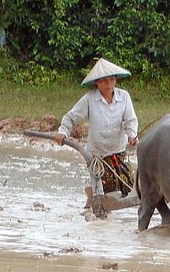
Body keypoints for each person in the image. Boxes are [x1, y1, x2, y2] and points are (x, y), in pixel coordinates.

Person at [55, 58, 139, 198]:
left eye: (112, 79)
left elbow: (130, 121)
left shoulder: (124, 97)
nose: (109, 84)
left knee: (127, 188)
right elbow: (70, 117)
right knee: (102, 193)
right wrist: (62, 131)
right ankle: (96, 206)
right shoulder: (89, 99)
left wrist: (132, 136)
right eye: (104, 80)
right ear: (97, 83)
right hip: (97, 156)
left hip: (118, 152)